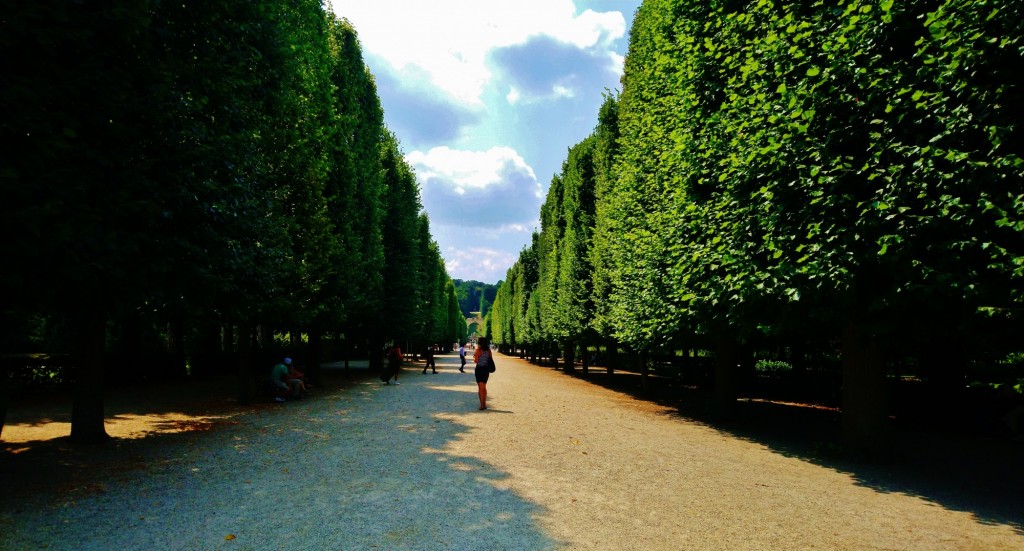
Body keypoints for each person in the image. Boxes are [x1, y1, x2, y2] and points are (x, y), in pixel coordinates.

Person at [473, 337, 494, 410]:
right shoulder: (489, 351)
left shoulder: (478, 350)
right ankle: (484, 404)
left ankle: (482, 405)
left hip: (479, 370)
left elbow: (476, 361)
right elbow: (490, 360)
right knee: (484, 387)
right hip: (486, 370)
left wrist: (474, 356)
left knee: (480, 388)